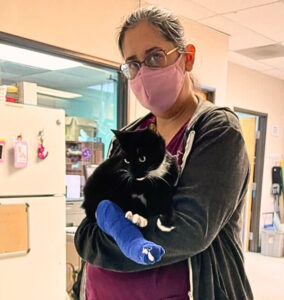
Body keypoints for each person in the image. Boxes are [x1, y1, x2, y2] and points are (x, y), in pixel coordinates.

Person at [75, 6, 253, 300]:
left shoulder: (217, 130)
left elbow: (188, 230)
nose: (143, 72)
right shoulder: (129, 137)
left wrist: (91, 243)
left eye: (155, 56)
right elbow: (99, 206)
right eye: (133, 64)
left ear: (187, 58)